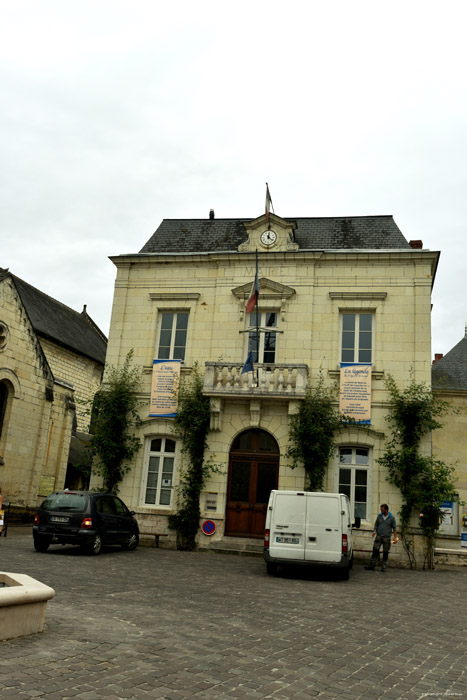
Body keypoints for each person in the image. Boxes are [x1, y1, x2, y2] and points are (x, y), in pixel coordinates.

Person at [365, 504, 397, 571]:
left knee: (385, 552)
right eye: (381, 509)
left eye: (382, 509)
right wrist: (374, 531)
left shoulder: (391, 518)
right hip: (379, 536)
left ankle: (384, 566)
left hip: (387, 538)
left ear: (386, 509)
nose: (381, 510)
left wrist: (395, 537)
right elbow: (376, 524)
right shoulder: (379, 516)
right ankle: (372, 565)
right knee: (375, 551)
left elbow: (394, 528)